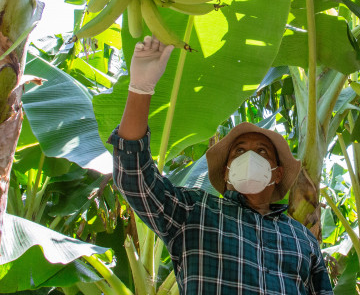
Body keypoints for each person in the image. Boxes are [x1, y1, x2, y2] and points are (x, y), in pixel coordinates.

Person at [108, 36, 333, 294]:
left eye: (262, 151)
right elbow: (135, 179)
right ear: (226, 173)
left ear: (278, 173)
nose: (249, 157)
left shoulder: (302, 240)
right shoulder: (194, 213)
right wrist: (141, 87)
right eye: (239, 151)